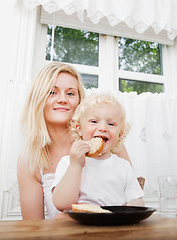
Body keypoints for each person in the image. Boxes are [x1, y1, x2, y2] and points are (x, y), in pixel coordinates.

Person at [17, 62, 131, 220]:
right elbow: (32, 230)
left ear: (79, 101)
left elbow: (131, 196)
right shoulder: (30, 161)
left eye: (70, 93)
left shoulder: (106, 141)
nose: (62, 99)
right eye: (52, 92)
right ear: (38, 99)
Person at [51, 93, 144, 211]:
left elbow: (136, 200)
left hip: (114, 225)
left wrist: (132, 212)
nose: (103, 128)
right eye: (94, 121)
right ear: (79, 129)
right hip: (80, 225)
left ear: (119, 134)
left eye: (111, 124)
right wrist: (75, 165)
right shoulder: (68, 162)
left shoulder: (123, 166)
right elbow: (61, 204)